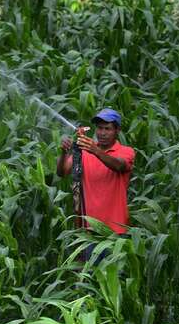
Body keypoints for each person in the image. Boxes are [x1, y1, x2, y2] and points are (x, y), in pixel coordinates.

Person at [56, 108, 135, 261]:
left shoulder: (125, 151)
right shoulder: (85, 152)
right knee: (89, 279)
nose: (102, 133)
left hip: (115, 231)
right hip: (88, 231)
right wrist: (64, 152)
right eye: (99, 128)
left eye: (108, 129)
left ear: (117, 130)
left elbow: (119, 165)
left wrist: (95, 150)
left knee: (112, 280)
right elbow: (62, 172)